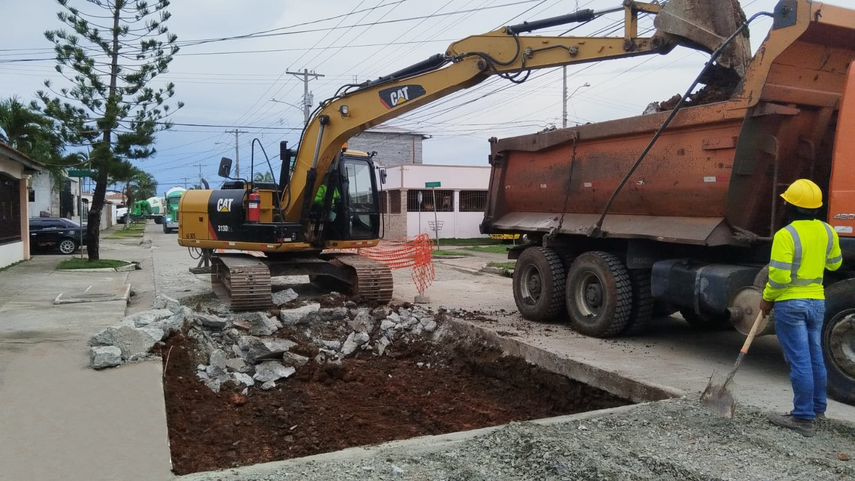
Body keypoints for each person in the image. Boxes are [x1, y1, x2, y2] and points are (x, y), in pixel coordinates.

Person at [759, 179, 842, 437]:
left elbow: (780, 277)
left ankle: (802, 417)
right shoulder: (828, 231)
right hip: (817, 302)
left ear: (791, 206)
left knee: (799, 361)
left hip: (791, 304)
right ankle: (818, 409)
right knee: (815, 357)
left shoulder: (786, 235)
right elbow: (835, 265)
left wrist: (766, 297)